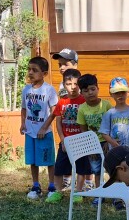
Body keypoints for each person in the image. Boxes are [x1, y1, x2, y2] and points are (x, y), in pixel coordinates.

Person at [42, 68, 86, 202]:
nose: (72, 87)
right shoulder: (62, 102)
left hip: (80, 140)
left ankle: (78, 192)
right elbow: (58, 122)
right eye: (68, 84)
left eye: (75, 84)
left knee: (81, 167)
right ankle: (57, 191)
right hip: (65, 141)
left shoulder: (84, 101)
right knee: (59, 167)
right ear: (63, 84)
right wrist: (62, 139)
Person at [21, 55, 59, 201]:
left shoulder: (49, 90)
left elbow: (54, 111)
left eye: (34, 70)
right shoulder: (26, 90)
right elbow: (24, 109)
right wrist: (22, 123)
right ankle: (36, 186)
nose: (30, 72)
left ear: (44, 74)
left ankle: (51, 186)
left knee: (48, 160)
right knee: (32, 160)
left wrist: (44, 128)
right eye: (29, 69)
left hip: (45, 132)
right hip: (30, 131)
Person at [75, 73, 112, 189]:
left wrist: (108, 141)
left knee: (112, 168)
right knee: (97, 170)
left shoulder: (106, 105)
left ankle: (115, 193)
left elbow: (112, 125)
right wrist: (90, 148)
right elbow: (84, 131)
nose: (90, 92)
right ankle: (99, 194)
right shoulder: (82, 109)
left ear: (98, 89)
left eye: (93, 89)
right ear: (81, 93)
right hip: (93, 145)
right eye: (86, 90)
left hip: (108, 143)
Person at [99, 77, 129, 151]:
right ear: (111, 94)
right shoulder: (109, 114)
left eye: (123, 92)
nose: (120, 95)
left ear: (128, 92)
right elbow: (104, 132)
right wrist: (113, 142)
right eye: (117, 93)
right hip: (115, 151)